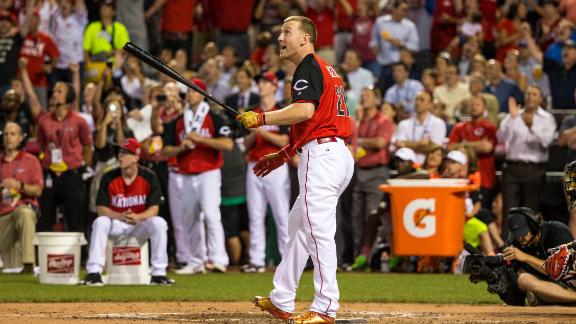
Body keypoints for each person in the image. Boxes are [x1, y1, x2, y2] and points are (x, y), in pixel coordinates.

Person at [236, 16, 354, 324]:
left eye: (286, 32)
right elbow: (320, 121)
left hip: (323, 156)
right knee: (299, 228)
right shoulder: (326, 69)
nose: (280, 38)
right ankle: (281, 299)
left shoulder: (308, 66)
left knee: (317, 230)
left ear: (306, 39)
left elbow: (305, 111)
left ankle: (326, 306)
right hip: (333, 152)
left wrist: (261, 118)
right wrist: (286, 152)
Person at [162, 78, 233, 274]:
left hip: (209, 172)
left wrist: (201, 139)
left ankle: (218, 259)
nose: (190, 94)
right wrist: (180, 148)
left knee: (211, 214)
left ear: (202, 94)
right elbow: (165, 150)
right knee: (189, 218)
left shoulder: (214, 116)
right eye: (189, 91)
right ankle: (195, 260)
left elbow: (228, 144)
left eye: (194, 91)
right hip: (185, 173)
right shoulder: (178, 120)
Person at [84, 138, 173, 286]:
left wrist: (138, 217)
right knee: (100, 222)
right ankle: (94, 272)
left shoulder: (149, 177)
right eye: (120, 152)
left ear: (136, 157)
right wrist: (120, 216)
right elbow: (101, 209)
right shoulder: (109, 177)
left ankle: (158, 274)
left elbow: (154, 209)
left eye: (126, 153)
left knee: (159, 222)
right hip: (117, 224)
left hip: (139, 225)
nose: (120, 156)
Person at [242, 71, 290, 273]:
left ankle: (287, 259)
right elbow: (243, 143)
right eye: (260, 82)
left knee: (281, 214)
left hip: (276, 165)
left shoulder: (282, 111)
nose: (261, 85)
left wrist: (261, 131)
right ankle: (256, 260)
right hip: (254, 164)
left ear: (274, 86)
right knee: (255, 215)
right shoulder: (252, 112)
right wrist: (253, 135)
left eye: (265, 82)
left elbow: (285, 141)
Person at [503, 207, 576, 305]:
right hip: (549, 285)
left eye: (523, 233)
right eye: (516, 234)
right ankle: (563, 299)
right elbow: (518, 272)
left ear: (533, 226)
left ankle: (552, 300)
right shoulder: (515, 243)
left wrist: (525, 257)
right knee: (523, 279)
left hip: (571, 280)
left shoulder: (557, 231)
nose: (519, 238)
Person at [0, 122, 43, 274]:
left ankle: (29, 264)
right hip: (2, 218)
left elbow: (38, 190)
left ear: (20, 138)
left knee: (25, 213)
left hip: (21, 210)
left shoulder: (31, 161)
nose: (8, 137)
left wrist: (19, 185)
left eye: (13, 134)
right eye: (6, 134)